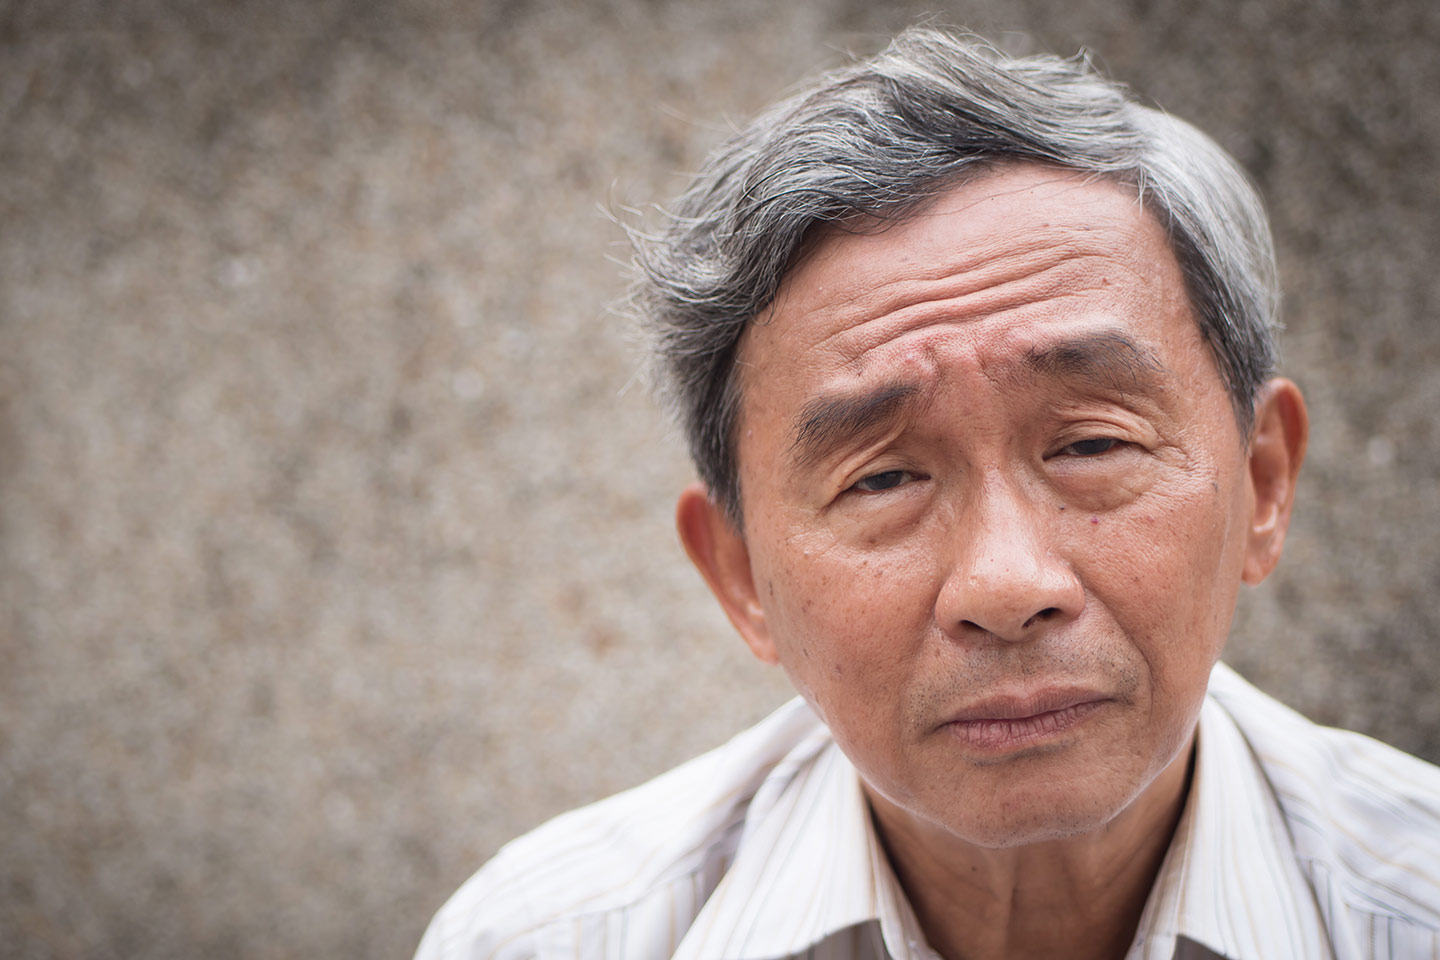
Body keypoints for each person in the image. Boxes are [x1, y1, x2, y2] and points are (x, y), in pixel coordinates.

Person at [416, 28, 1440, 960]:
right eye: (885, 477)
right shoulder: (548, 939)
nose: (1006, 585)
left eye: (1089, 442)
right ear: (740, 576)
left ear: (1264, 480)